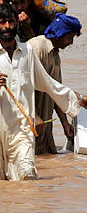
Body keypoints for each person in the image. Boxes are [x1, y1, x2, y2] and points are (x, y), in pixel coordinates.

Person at [0, 3, 87, 181]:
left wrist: (77, 99)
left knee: (27, 175)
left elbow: (47, 83)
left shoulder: (27, 52)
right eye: (2, 22)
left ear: (17, 23)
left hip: (22, 128)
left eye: (11, 21)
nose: (7, 26)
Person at [27, 13, 82, 154]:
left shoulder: (55, 55)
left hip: (45, 124)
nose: (71, 43)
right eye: (69, 38)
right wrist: (34, 115)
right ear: (60, 33)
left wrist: (65, 124)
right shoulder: (36, 47)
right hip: (31, 121)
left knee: (47, 161)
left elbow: (57, 92)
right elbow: (23, 86)